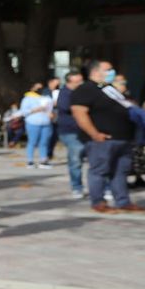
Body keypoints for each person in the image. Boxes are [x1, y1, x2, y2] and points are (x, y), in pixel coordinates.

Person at [71, 60, 145, 213]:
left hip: (123, 139)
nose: (112, 72)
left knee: (120, 171)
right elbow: (79, 113)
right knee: (99, 171)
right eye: (108, 69)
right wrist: (94, 134)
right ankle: (98, 202)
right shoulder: (85, 89)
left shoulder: (109, 89)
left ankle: (123, 201)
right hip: (102, 140)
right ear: (96, 71)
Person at [55, 70, 86, 198]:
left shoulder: (84, 92)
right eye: (77, 82)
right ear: (69, 83)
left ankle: (105, 188)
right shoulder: (64, 94)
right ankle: (77, 187)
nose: (80, 84)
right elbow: (68, 108)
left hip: (86, 130)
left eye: (81, 81)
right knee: (75, 159)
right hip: (70, 132)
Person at [17, 83, 55, 168]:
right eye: (37, 87)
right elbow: (23, 111)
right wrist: (36, 109)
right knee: (32, 142)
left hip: (46, 122)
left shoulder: (46, 98)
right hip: (33, 123)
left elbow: (51, 108)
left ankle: (43, 161)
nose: (39, 89)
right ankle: (30, 161)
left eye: (40, 87)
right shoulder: (27, 98)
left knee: (44, 143)